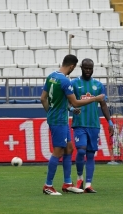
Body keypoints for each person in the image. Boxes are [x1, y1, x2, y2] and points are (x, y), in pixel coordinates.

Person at [40, 55, 105, 195]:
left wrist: (51, 112)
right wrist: (96, 98)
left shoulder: (51, 76)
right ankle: (48, 185)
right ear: (71, 66)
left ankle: (68, 183)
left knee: (69, 148)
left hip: (58, 118)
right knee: (58, 151)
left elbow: (43, 98)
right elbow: (75, 102)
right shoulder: (65, 81)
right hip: (59, 121)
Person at [69, 58, 114, 193]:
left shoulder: (98, 85)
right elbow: (68, 102)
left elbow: (103, 105)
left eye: (90, 68)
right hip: (79, 123)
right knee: (81, 150)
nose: (88, 71)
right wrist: (71, 109)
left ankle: (88, 184)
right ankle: (79, 178)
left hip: (94, 124)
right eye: (86, 68)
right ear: (81, 68)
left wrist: (109, 121)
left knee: (90, 153)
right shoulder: (74, 83)